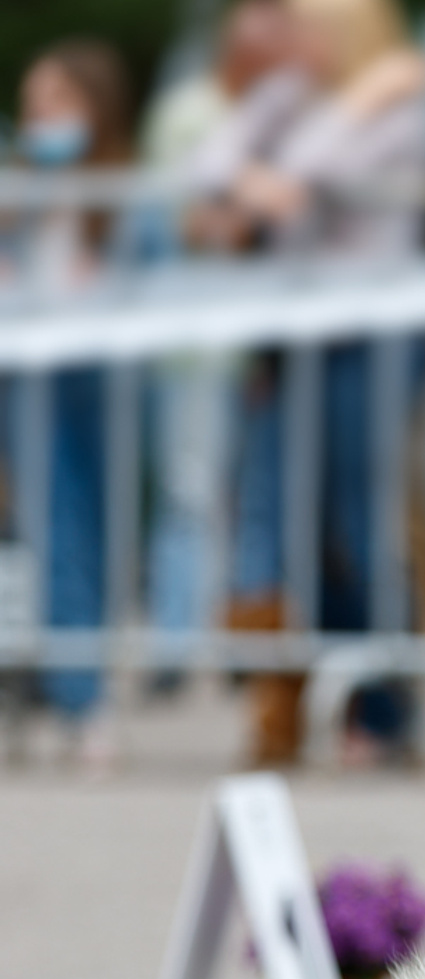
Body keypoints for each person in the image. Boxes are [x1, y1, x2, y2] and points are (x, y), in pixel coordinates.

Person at [186, 0, 425, 768]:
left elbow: (317, 173)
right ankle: (278, 709)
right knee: (269, 517)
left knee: (356, 523)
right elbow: (208, 161)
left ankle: (385, 711)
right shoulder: (290, 96)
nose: (291, 39)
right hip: (288, 336)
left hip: (367, 338)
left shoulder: (395, 111)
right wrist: (261, 173)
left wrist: (352, 105)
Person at [3, 41, 137, 772]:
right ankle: (73, 694)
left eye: (56, 103)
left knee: (92, 535)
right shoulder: (22, 199)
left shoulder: (125, 202)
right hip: (32, 379)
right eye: (32, 107)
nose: (40, 120)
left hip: (95, 380)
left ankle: (83, 691)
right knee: (54, 535)